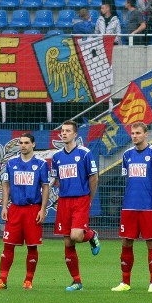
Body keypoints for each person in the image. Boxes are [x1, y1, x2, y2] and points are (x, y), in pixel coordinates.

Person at [111, 122, 152, 292]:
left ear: (146, 135)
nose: (134, 136)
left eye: (138, 133)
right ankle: (125, 282)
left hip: (147, 207)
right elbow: (126, 179)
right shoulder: (127, 155)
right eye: (132, 133)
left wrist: (151, 197)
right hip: (129, 206)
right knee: (126, 242)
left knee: (151, 243)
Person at [0, 133, 49, 290]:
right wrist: (4, 206)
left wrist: (43, 209)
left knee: (32, 246)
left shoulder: (41, 164)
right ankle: (2, 280)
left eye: (26, 143)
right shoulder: (11, 163)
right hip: (15, 209)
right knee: (8, 245)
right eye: (21, 143)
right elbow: (6, 184)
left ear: (33, 145)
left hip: (32, 209)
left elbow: (45, 187)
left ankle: (28, 281)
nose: (23, 145)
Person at [50, 120, 100, 291]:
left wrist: (89, 198)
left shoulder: (85, 153)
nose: (64, 133)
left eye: (68, 131)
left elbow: (93, 178)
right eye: (62, 131)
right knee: (68, 242)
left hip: (80, 199)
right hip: (64, 201)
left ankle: (91, 235)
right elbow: (55, 180)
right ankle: (77, 281)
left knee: (77, 236)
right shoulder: (57, 157)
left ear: (75, 134)